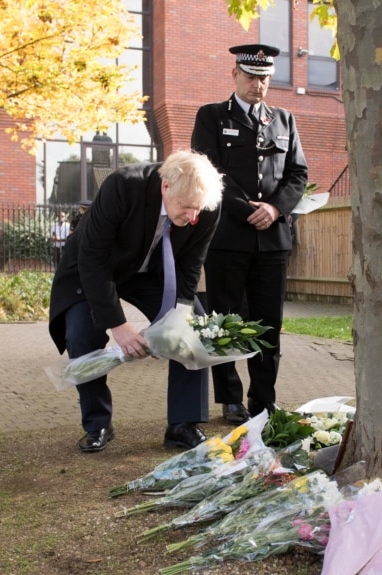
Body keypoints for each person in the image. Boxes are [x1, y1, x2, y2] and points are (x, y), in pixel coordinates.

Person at [48, 149, 223, 453]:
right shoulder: (122, 186)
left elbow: (192, 264)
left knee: (193, 327)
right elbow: (93, 259)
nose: (193, 217)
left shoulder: (205, 206)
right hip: (94, 269)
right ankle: (97, 423)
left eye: (198, 209)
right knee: (81, 335)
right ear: (165, 186)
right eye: (185, 207)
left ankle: (182, 424)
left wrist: (173, 321)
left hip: (148, 273)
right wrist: (118, 325)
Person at [190, 44, 309, 425]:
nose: (259, 84)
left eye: (265, 78)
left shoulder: (284, 119)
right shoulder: (210, 116)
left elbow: (297, 174)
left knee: (268, 323)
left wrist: (275, 209)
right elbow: (210, 173)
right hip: (228, 237)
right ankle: (230, 400)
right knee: (224, 321)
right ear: (235, 75)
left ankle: (263, 399)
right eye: (252, 76)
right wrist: (248, 210)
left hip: (272, 240)